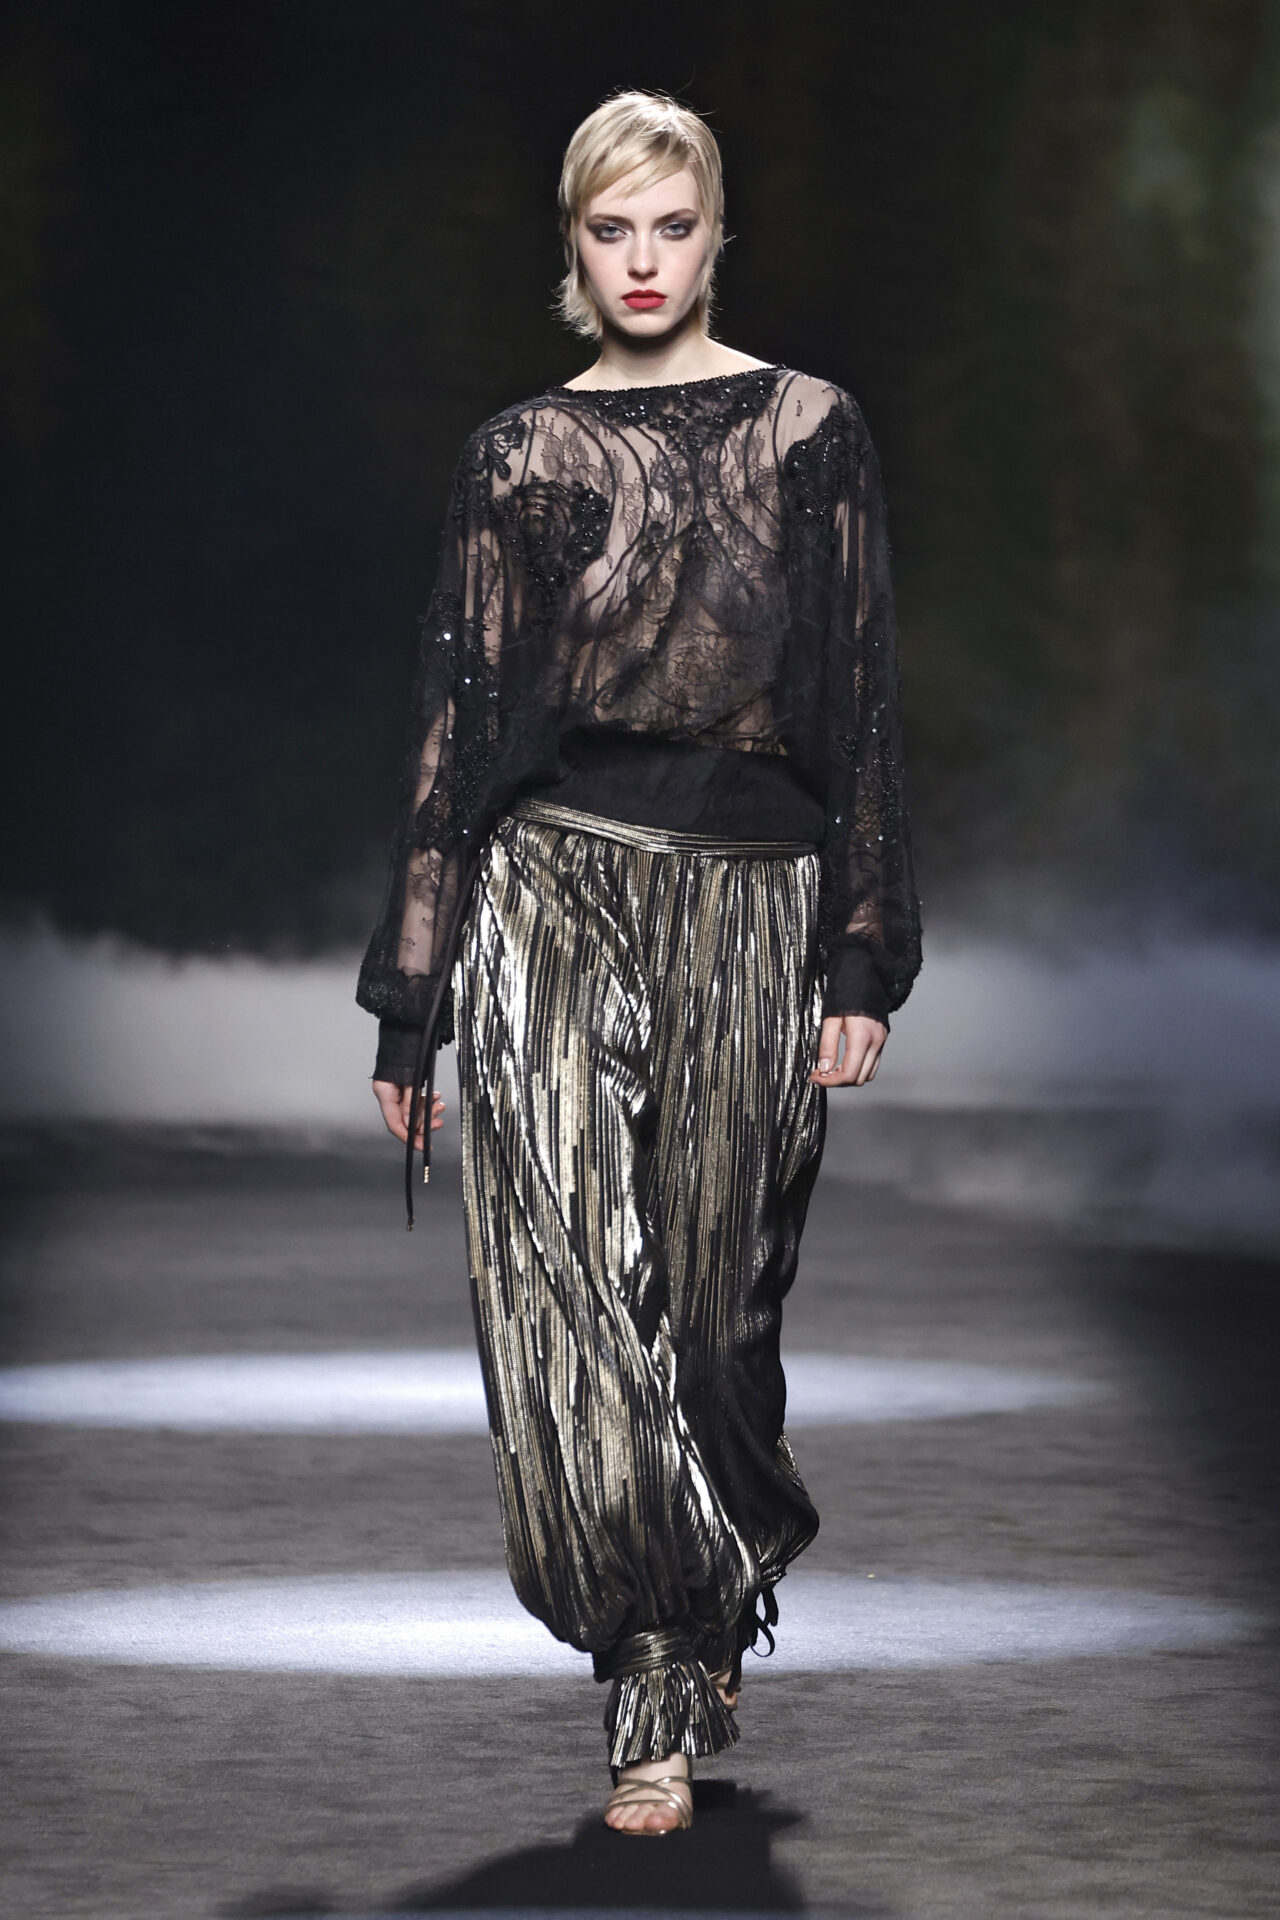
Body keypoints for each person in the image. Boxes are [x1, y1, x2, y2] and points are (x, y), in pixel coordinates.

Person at [356, 87, 922, 1836]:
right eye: (614, 228)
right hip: (549, 888)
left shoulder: (812, 431)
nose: (646, 258)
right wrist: (415, 1000)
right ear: (574, 245)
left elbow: (861, 700)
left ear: (718, 232)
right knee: (566, 1294)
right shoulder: (519, 453)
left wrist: (861, 958)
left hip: (751, 900)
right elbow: (459, 726)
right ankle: (654, 1680)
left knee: (716, 1308)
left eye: (674, 224)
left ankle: (718, 1563)